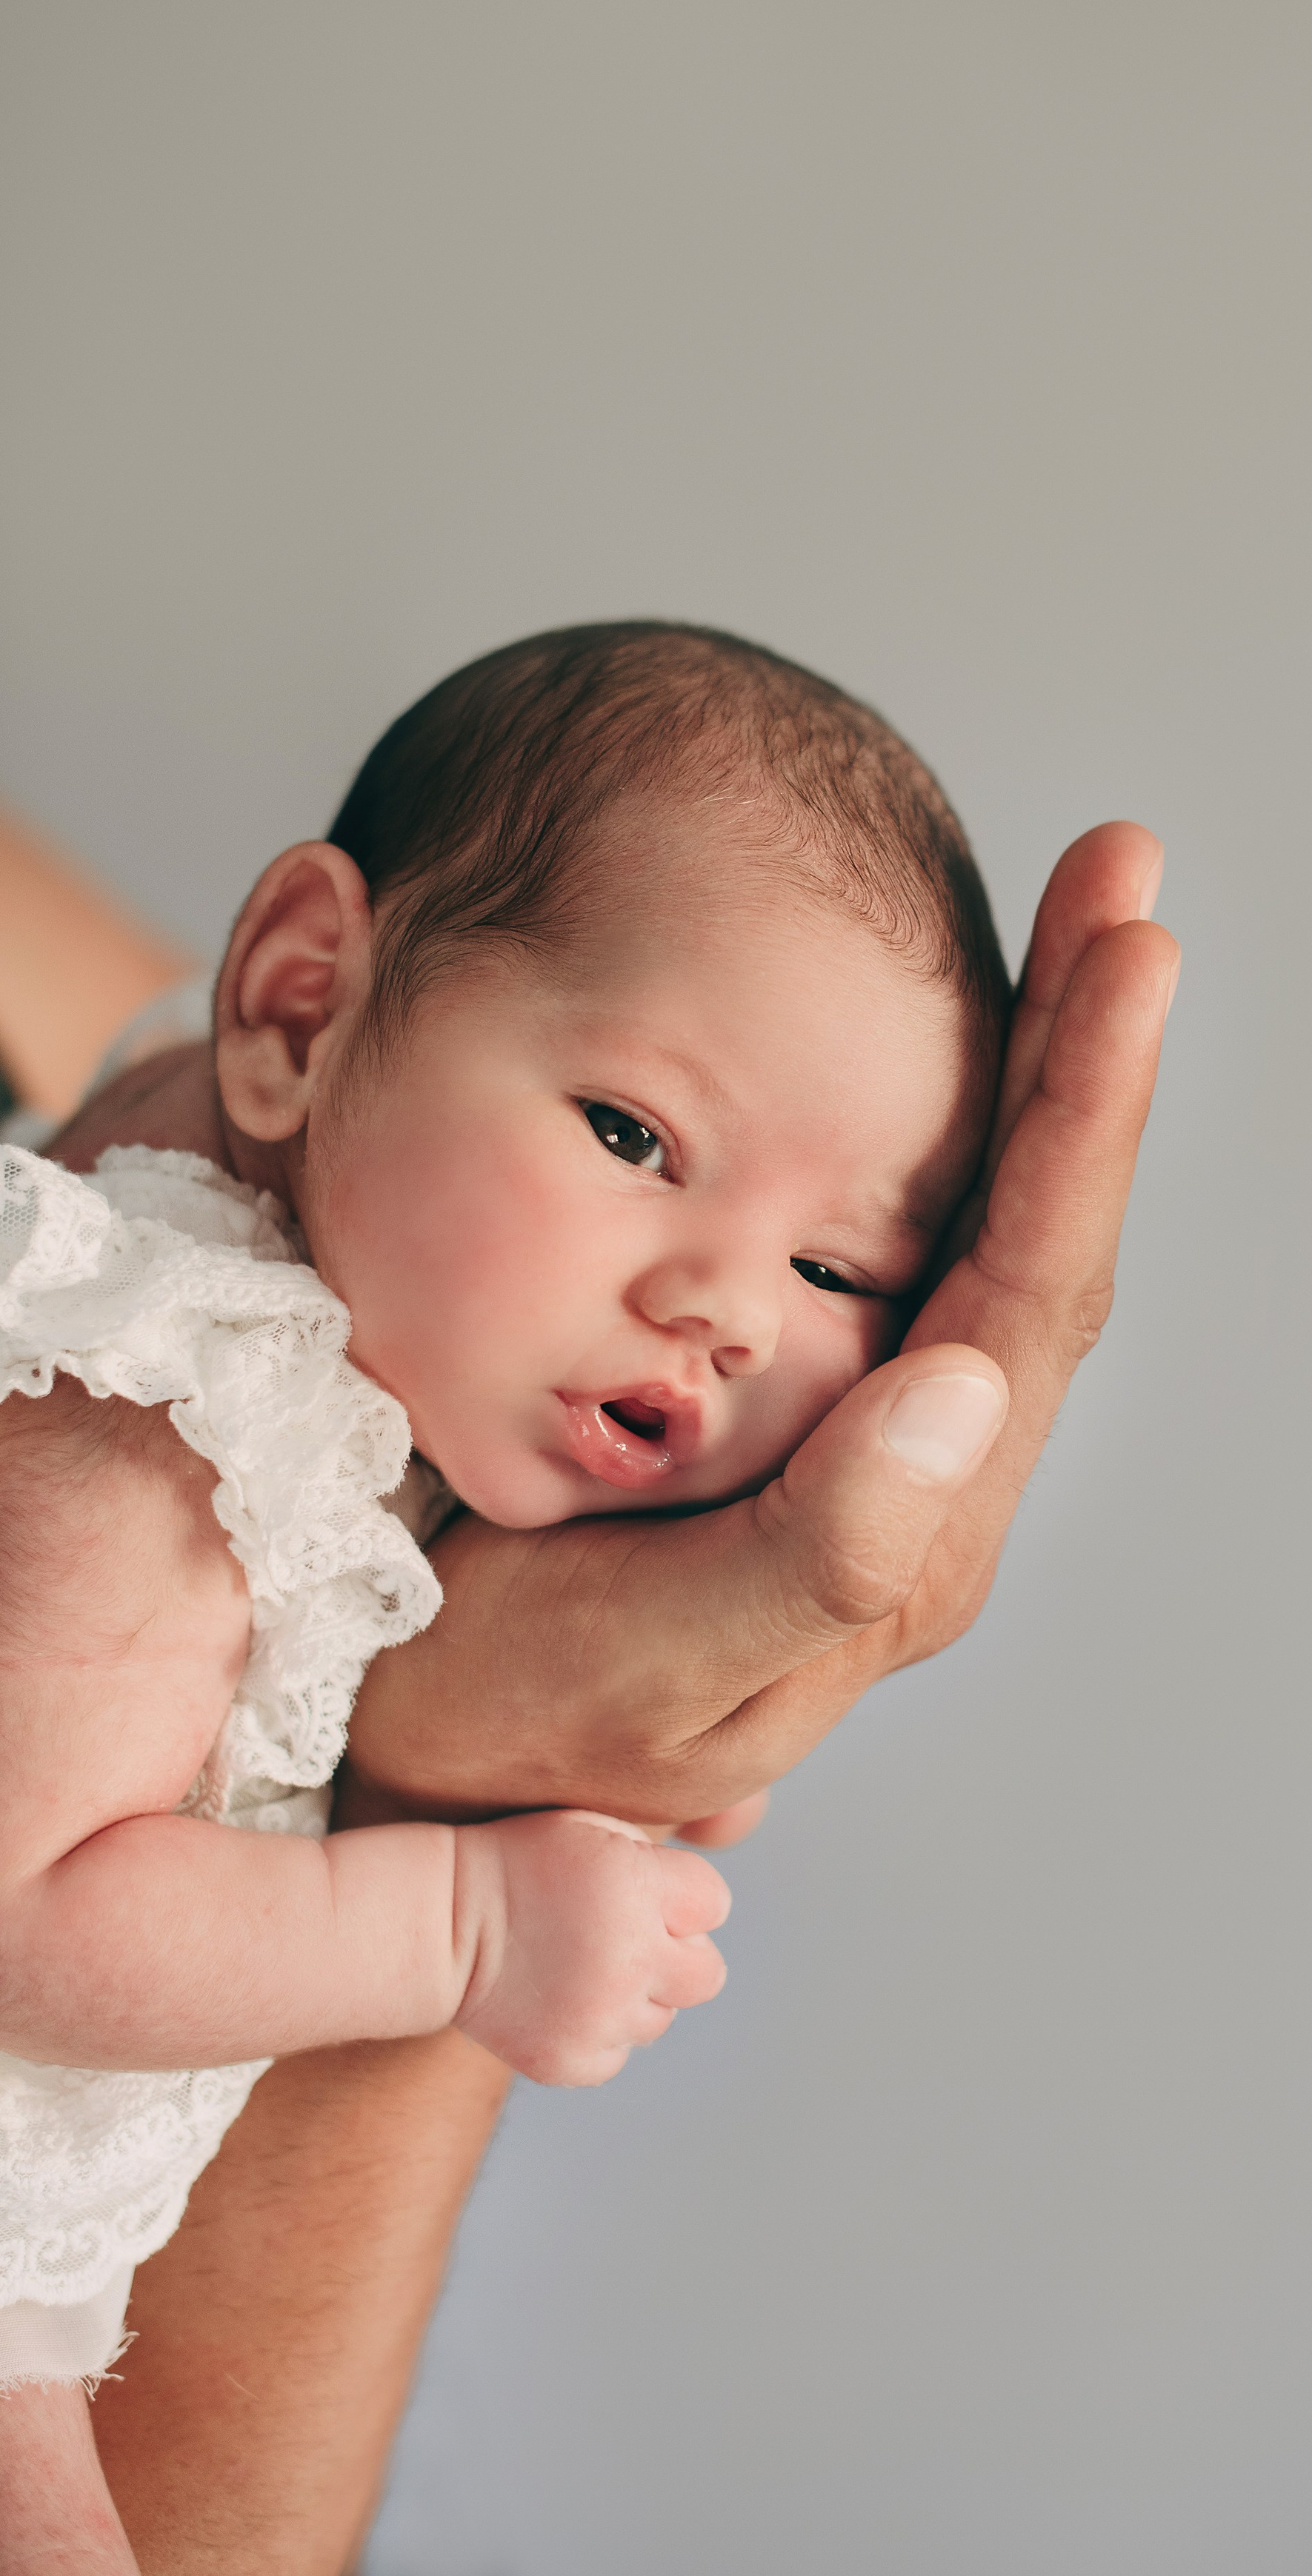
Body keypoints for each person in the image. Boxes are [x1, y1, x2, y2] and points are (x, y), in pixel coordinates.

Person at [0, 641, 1175, 2575]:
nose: (724, 1302)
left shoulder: (332, 1223)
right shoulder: (151, 1400)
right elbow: (31, 1917)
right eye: (634, 1136)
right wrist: (455, 1910)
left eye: (831, 1261)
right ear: (297, 1003)